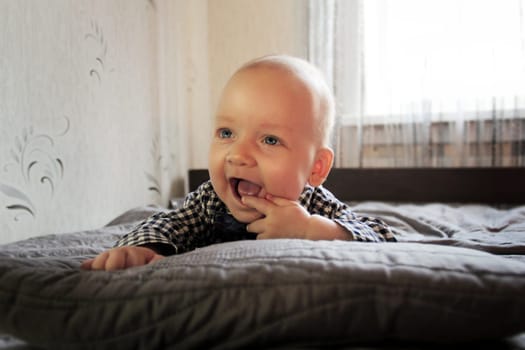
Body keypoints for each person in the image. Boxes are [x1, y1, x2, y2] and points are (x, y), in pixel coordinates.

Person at [82, 54, 395, 271]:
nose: (237, 155)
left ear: (316, 168)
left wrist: (311, 229)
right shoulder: (212, 201)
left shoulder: (313, 204)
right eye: (226, 133)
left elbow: (382, 237)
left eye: (270, 140)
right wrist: (143, 250)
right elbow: (169, 223)